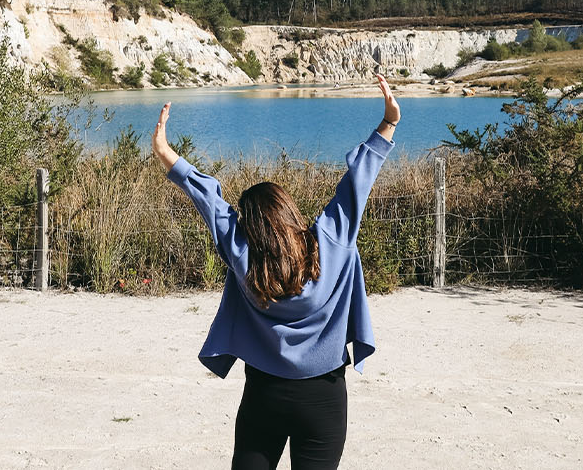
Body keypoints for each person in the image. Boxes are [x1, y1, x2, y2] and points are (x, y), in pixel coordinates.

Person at [150, 75, 402, 470]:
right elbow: (358, 183)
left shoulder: (243, 255)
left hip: (264, 393)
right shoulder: (330, 243)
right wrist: (388, 124)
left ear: (250, 225)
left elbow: (209, 201)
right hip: (324, 398)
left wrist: (165, 152)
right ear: (289, 212)